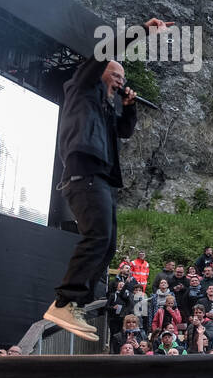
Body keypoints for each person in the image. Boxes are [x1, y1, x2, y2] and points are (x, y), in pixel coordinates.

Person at [43, 17, 171, 340]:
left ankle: (78, 303)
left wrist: (128, 108)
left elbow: (125, 132)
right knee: (97, 236)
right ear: (100, 73)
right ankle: (65, 300)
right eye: (116, 75)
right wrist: (142, 31)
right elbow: (107, 50)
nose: (120, 81)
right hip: (83, 174)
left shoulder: (103, 109)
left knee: (109, 243)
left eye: (123, 78)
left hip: (101, 179)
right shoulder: (82, 88)